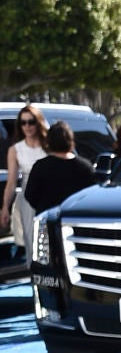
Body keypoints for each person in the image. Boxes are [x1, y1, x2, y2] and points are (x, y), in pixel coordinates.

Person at [2, 104, 48, 255]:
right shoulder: (15, 150)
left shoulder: (48, 146)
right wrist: (5, 208)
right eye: (23, 122)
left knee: (49, 240)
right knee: (31, 242)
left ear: (38, 123)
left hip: (48, 195)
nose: (27, 126)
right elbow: (11, 182)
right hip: (27, 197)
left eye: (31, 122)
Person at [23, 121, 97, 215]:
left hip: (47, 217)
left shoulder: (40, 166)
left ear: (49, 141)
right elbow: (91, 195)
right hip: (75, 217)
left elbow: (30, 195)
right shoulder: (85, 167)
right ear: (70, 140)